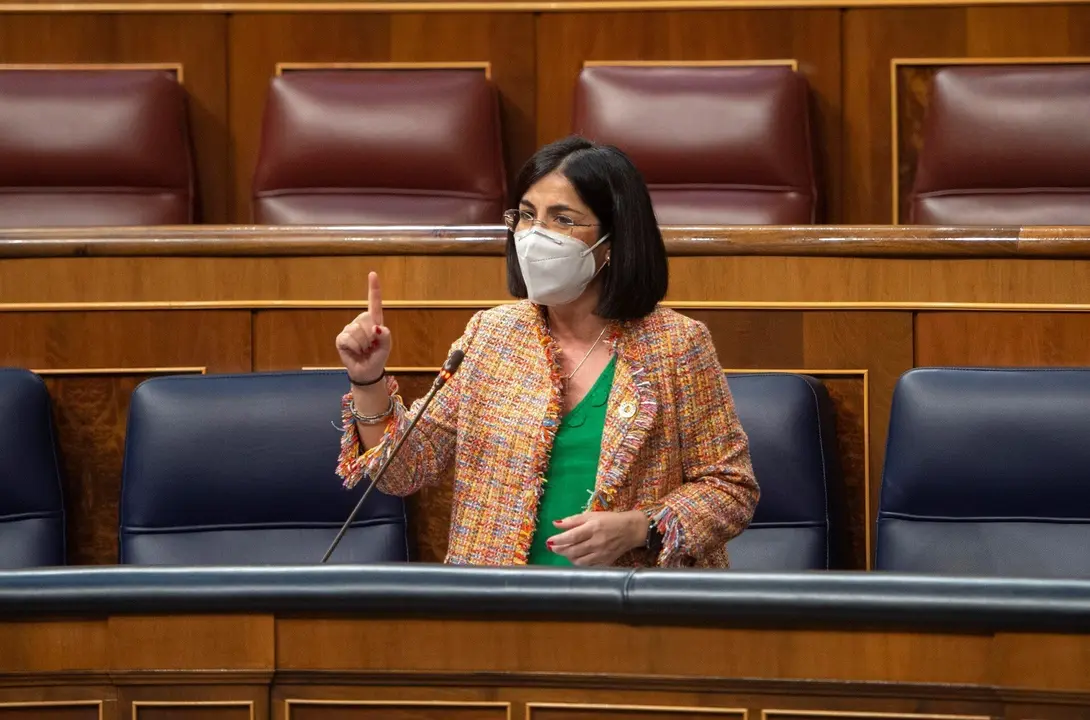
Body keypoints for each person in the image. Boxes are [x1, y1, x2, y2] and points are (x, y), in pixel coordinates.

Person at [334, 135, 759, 568]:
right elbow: (403, 470)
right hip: (497, 608)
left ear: (612, 240)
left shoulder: (676, 345)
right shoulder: (492, 335)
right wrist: (367, 379)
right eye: (526, 215)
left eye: (562, 219)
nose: (535, 236)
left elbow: (730, 487)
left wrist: (639, 527)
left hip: (630, 610)